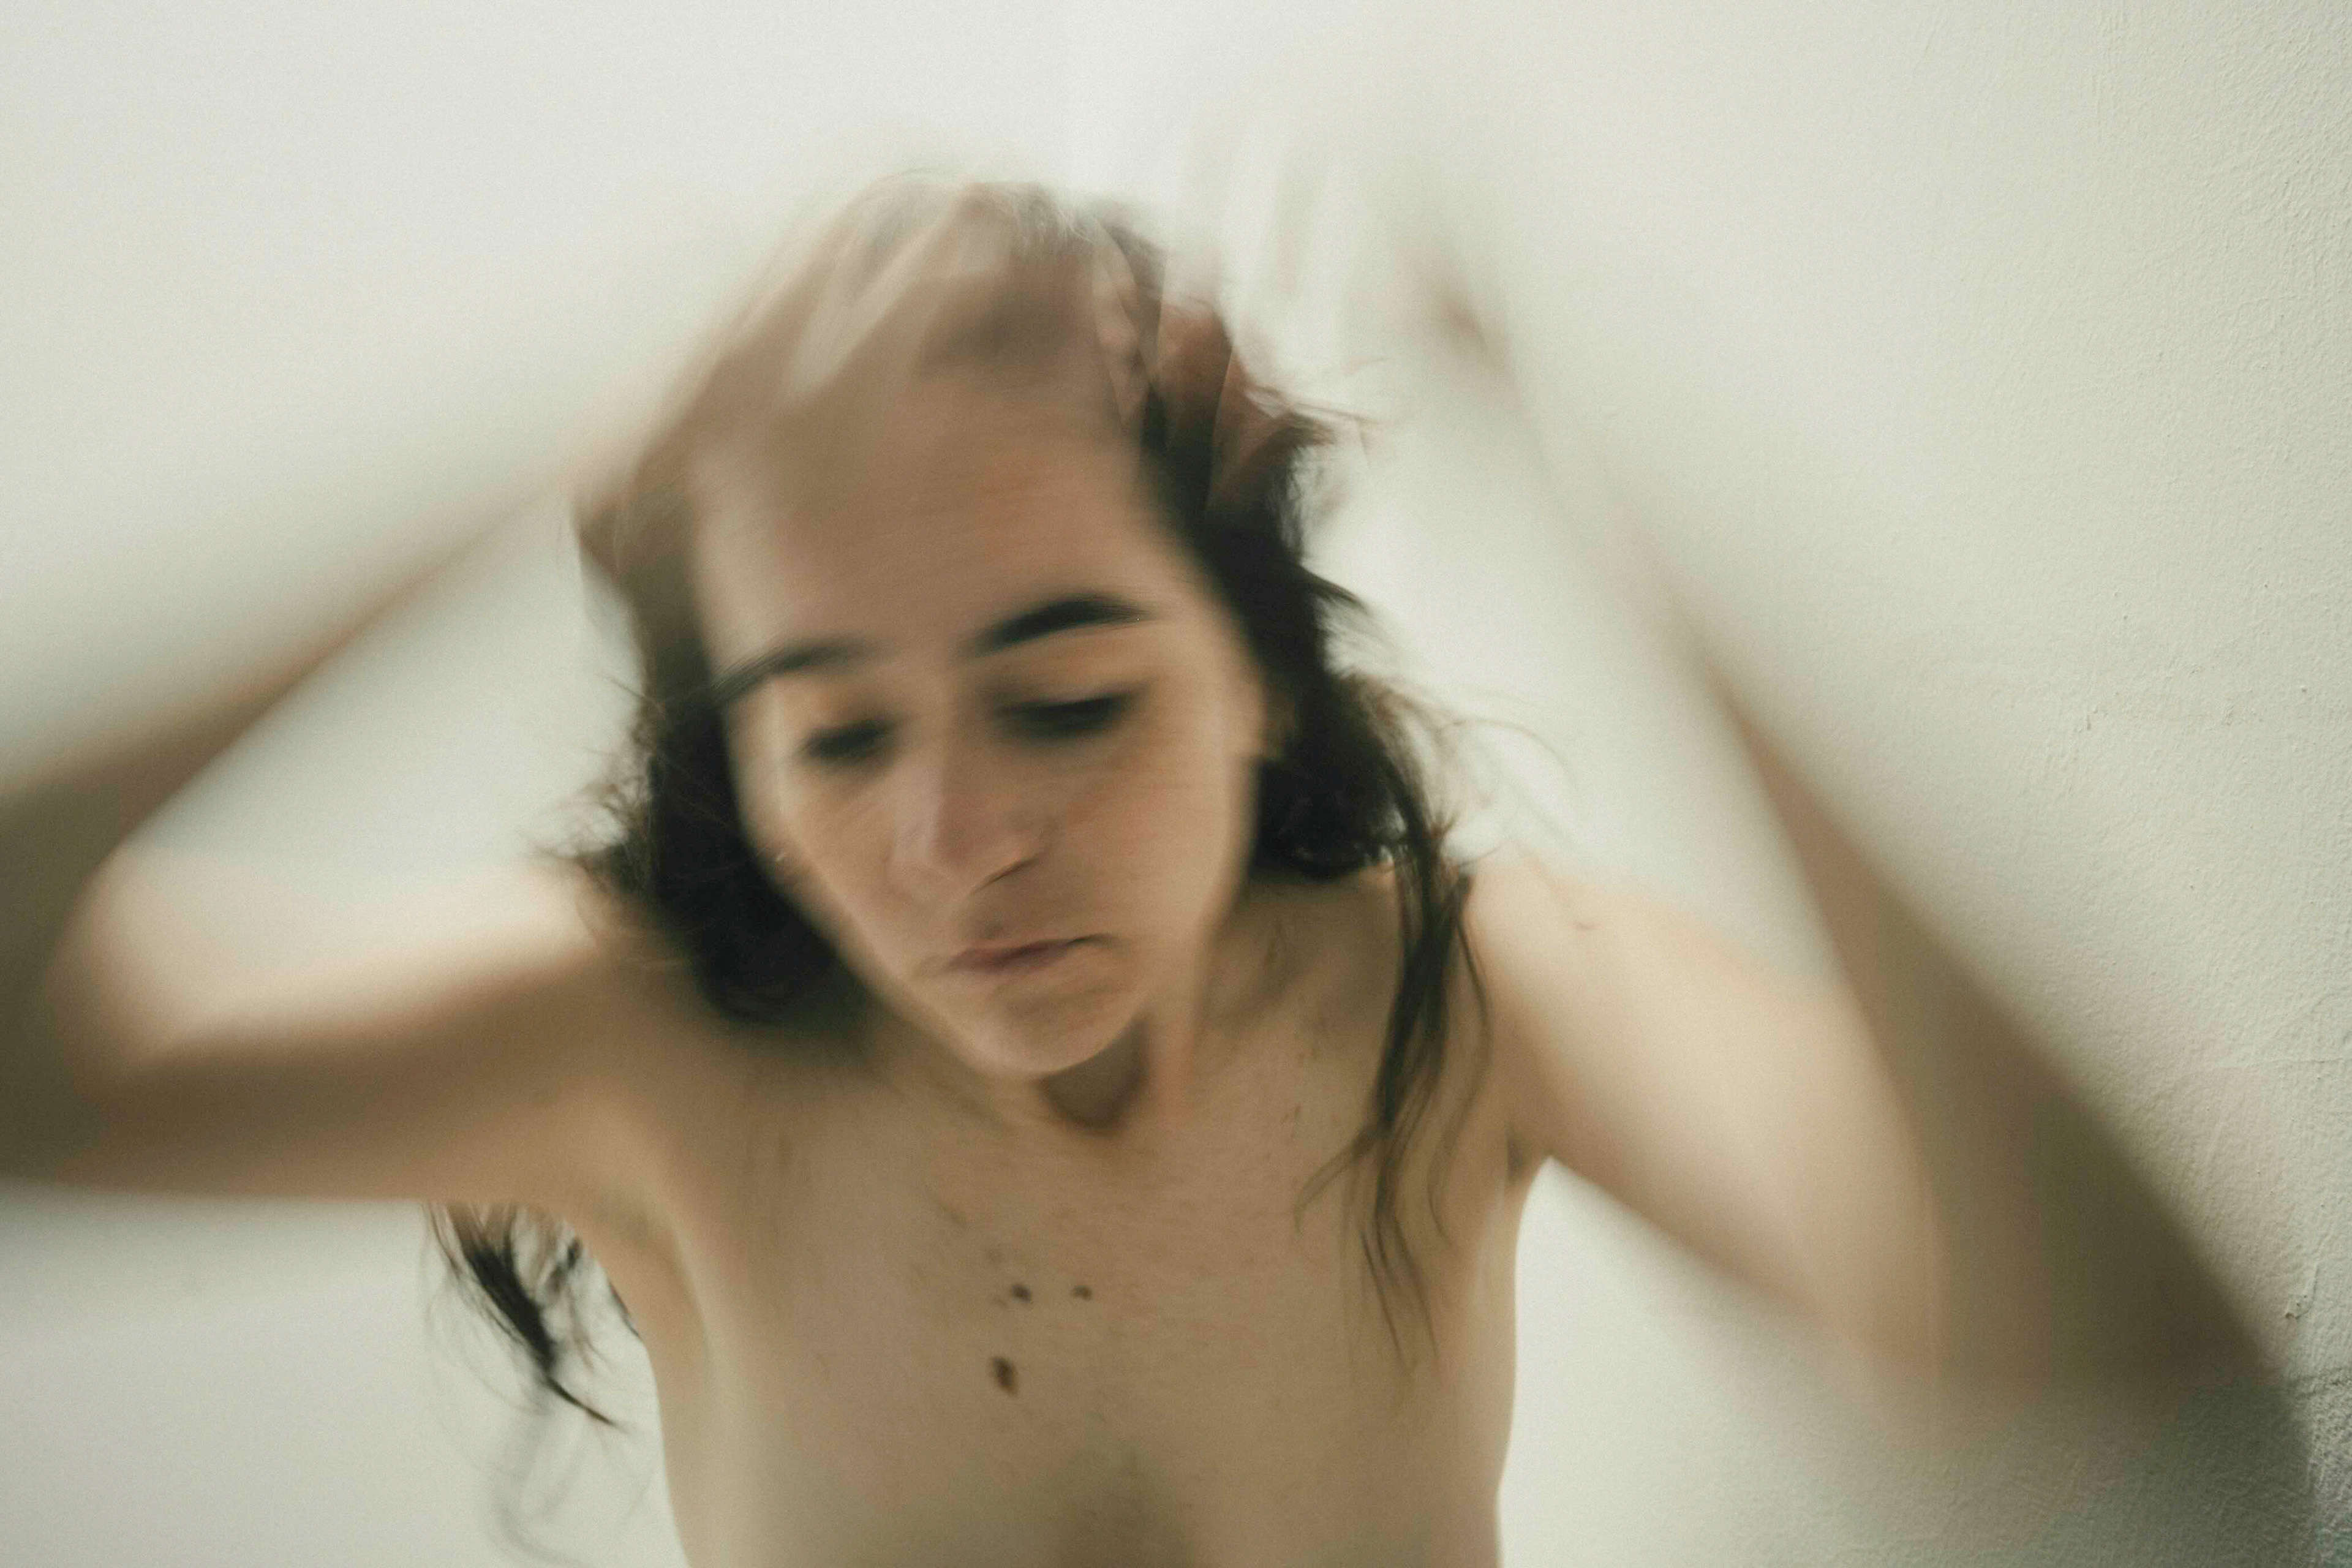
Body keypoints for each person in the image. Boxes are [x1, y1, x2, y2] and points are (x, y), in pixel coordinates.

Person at [0, 174, 2264, 1567]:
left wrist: (1594, 483)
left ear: (1259, 677)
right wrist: (540, 474)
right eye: (834, 731)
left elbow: (2094, 1353)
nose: (953, 842)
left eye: (1071, 698)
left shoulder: (1460, 991)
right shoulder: (640, 1043)